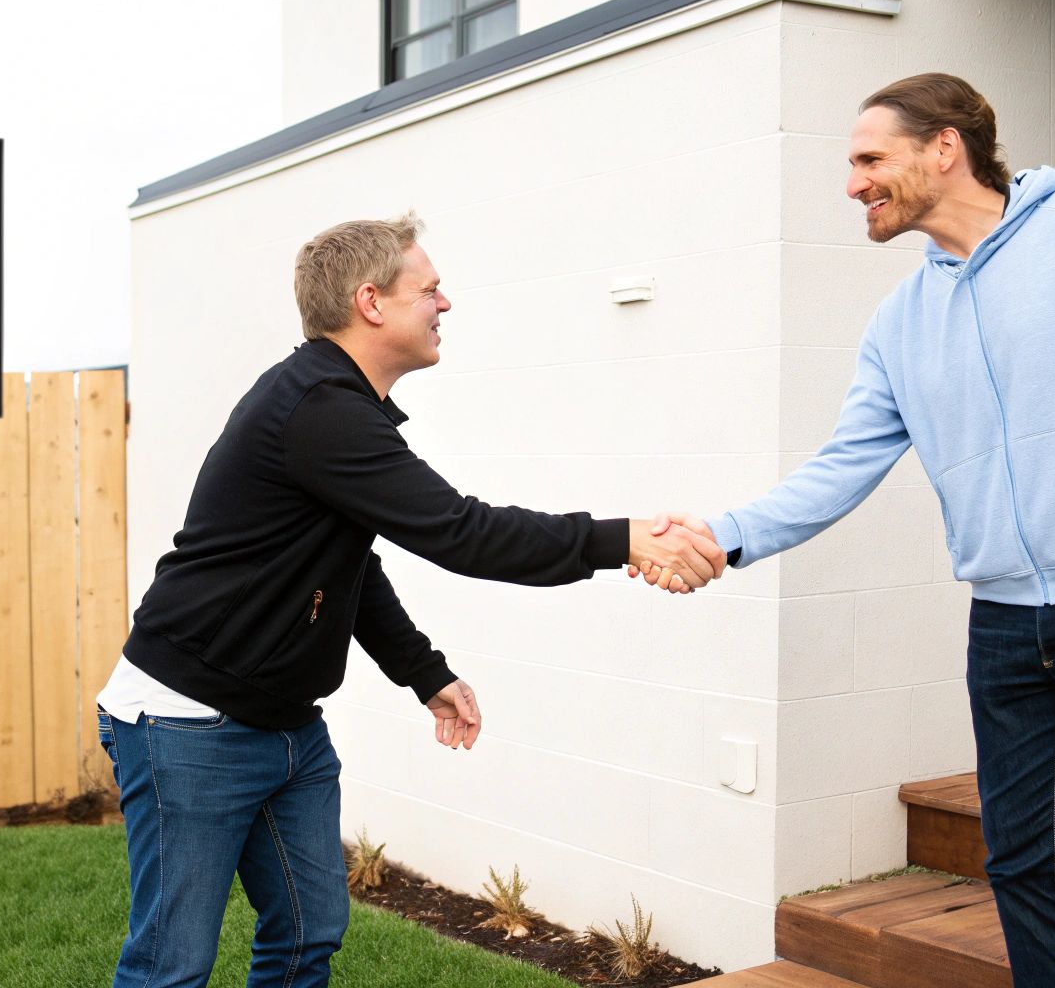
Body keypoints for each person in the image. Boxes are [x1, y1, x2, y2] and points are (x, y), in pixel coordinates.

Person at [639, 73, 1055, 987]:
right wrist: (724, 534)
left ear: (945, 148)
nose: (852, 184)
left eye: (869, 159)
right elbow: (841, 465)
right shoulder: (901, 321)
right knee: (1020, 863)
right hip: (1005, 622)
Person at [97, 211, 720, 988]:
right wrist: (622, 537)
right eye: (430, 289)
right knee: (171, 967)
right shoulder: (318, 410)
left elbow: (346, 565)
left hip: (287, 726)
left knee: (307, 934)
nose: (445, 304)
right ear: (371, 302)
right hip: (189, 721)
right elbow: (463, 533)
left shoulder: (336, 406)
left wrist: (425, 674)